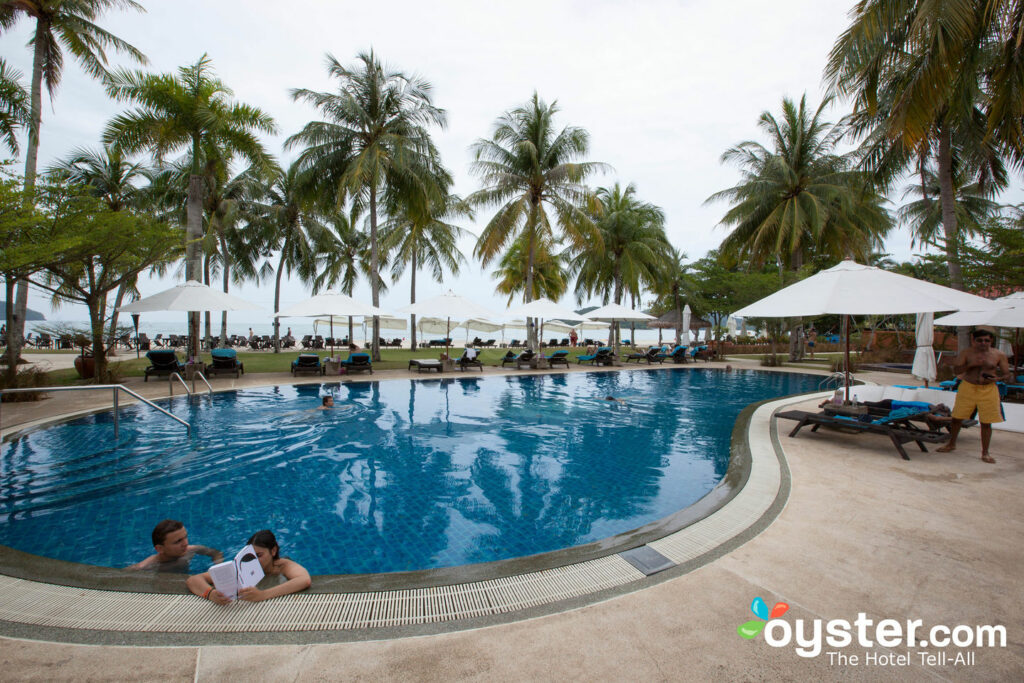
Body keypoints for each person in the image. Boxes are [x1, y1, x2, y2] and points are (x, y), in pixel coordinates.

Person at [936, 328, 1009, 463]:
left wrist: (997, 379)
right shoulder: (967, 353)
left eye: (986, 340)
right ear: (973, 341)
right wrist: (970, 365)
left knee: (986, 422)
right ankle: (951, 444)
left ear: (991, 341)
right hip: (968, 387)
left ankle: (985, 452)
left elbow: (1006, 374)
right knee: (957, 418)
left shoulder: (999, 355)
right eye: (979, 340)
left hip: (988, 389)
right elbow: (956, 370)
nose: (983, 343)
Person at [186, 529, 311, 605]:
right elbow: (193, 580)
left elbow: (304, 580)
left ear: (273, 551)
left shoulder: (282, 566)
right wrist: (211, 594)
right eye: (251, 556)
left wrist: (262, 595)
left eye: (260, 555)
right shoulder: (240, 568)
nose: (255, 560)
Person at [128, 519, 222, 571]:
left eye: (185, 537)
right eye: (178, 541)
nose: (185, 543)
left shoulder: (191, 550)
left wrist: (218, 567)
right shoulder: (148, 565)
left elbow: (216, 553)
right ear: (160, 549)